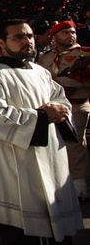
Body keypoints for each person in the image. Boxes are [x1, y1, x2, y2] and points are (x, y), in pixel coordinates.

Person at [0, 18, 83, 245]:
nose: (27, 41)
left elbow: (61, 100)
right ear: (1, 42)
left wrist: (60, 111)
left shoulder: (41, 72)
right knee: (22, 236)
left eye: (30, 36)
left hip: (50, 155)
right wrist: (42, 116)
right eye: (18, 37)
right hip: (13, 161)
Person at [39, 20, 90, 201]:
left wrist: (60, 82)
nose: (71, 36)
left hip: (76, 105)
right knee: (54, 145)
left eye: (72, 32)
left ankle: (79, 188)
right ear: (54, 36)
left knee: (75, 146)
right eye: (65, 33)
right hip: (51, 107)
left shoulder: (85, 54)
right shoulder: (45, 56)